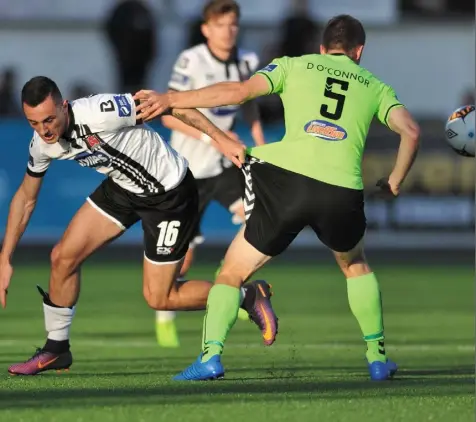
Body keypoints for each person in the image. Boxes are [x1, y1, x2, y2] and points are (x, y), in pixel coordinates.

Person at [134, 14, 420, 381]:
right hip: (340, 190)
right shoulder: (376, 87)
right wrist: (395, 181)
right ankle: (377, 359)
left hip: (285, 183)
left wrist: (173, 98)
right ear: (359, 51)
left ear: (322, 48)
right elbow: (411, 132)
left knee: (232, 273)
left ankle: (211, 357)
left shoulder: (292, 65)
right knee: (355, 265)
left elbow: (237, 93)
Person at [0, 76, 277, 376]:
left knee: (160, 298)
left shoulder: (101, 111)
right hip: (123, 188)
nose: (44, 130)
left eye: (50, 119)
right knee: (63, 257)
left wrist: (219, 139)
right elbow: (26, 197)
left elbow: (169, 105)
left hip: (169, 193)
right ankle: (56, 349)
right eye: (34, 123)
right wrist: (5, 257)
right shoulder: (42, 144)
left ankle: (247, 296)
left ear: (64, 106)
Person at [155, 0, 266, 348]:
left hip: (222, 168)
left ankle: (229, 276)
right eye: (221, 25)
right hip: (185, 170)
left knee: (261, 219)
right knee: (183, 256)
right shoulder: (191, 60)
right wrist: (211, 137)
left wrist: (261, 147)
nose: (228, 30)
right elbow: (168, 114)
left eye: (233, 24)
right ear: (206, 29)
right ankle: (164, 314)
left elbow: (251, 108)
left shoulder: (247, 61)